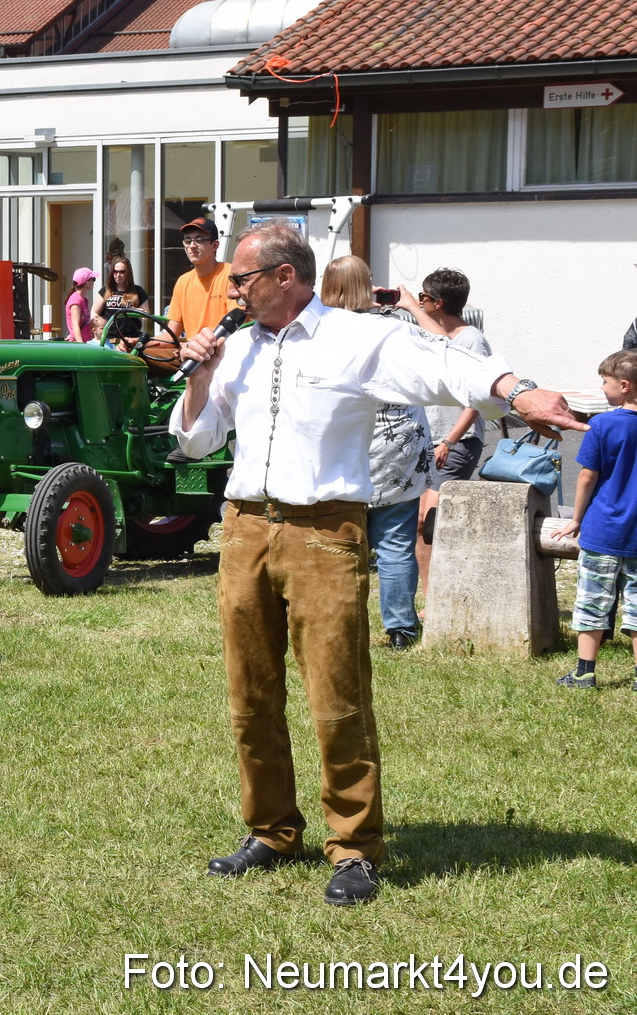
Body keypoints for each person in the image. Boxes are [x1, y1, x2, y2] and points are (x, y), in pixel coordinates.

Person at [172, 221, 581, 906]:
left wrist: (517, 390)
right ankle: (271, 829)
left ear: (285, 277)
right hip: (244, 529)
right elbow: (196, 438)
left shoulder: (360, 338)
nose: (231, 289)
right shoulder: (236, 347)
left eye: (242, 278)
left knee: (337, 697)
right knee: (251, 696)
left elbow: (447, 364)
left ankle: (355, 845)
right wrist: (203, 374)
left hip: (324, 530)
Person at [319, 257, 433, 650]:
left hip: (344, 445)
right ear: (367, 285)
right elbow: (443, 351)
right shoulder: (392, 327)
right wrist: (411, 307)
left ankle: (339, 624)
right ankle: (401, 628)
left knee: (340, 543)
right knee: (396, 542)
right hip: (397, 449)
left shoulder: (316, 330)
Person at [396, 268, 493, 599]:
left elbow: (477, 399)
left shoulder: (471, 340)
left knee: (428, 524)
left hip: (455, 444)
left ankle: (437, 604)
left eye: (422, 297)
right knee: (421, 524)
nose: (419, 301)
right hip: (430, 442)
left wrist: (450, 441)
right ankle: (431, 600)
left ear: (438, 303)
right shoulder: (434, 336)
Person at [552, 350, 637, 689]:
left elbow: (587, 476)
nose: (602, 387)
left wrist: (576, 518)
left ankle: (584, 672)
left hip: (603, 529)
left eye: (605, 381)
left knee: (592, 600)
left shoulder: (602, 423)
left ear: (625, 385)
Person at [164, 217, 234, 343]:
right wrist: (138, 342)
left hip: (221, 351)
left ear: (215, 245)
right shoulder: (183, 281)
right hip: (191, 353)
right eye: (188, 240)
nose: (192, 246)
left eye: (199, 240)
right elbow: (170, 336)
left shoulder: (229, 275)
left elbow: (235, 328)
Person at [91, 254, 146, 350]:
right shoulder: (106, 290)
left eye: (122, 272)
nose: (118, 275)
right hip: (108, 340)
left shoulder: (138, 291)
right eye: (115, 271)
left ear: (128, 273)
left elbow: (146, 316)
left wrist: (136, 311)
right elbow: (94, 312)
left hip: (129, 340)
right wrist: (99, 326)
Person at [63, 267, 97, 343]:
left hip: (86, 341)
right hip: (79, 344)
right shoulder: (76, 300)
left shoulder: (84, 299)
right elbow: (75, 324)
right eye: (93, 279)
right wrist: (81, 344)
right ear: (87, 283)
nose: (94, 282)